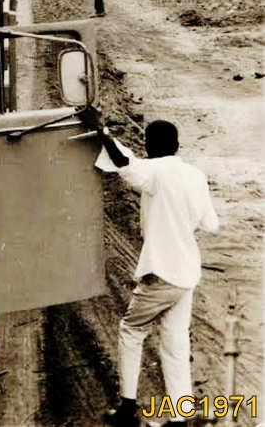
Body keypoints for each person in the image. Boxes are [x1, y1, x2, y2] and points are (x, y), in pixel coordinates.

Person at [80, 115, 219, 427]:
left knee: (131, 331)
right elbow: (211, 224)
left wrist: (101, 131)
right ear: (177, 145)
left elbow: (124, 162)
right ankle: (180, 416)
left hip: (162, 274)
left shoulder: (155, 171)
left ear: (149, 146)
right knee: (175, 344)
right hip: (187, 274)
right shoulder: (195, 175)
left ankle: (128, 409)